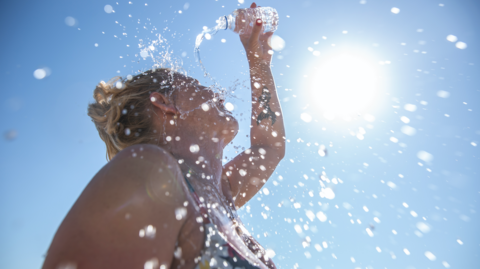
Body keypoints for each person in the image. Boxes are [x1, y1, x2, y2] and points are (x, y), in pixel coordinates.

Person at [42, 2, 285, 269]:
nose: (218, 93)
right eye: (198, 85)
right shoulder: (151, 174)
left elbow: (269, 147)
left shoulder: (220, 193)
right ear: (165, 104)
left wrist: (259, 63)